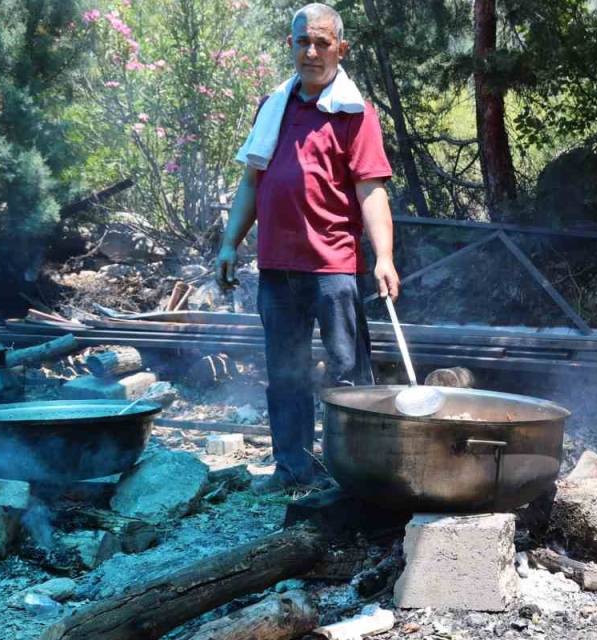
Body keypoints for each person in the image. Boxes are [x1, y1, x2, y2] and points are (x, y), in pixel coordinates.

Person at [216, 3, 400, 493]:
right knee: (285, 375)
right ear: (291, 46)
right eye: (303, 42)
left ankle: (354, 476)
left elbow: (371, 190)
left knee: (348, 376)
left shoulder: (355, 113)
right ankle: (293, 471)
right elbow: (252, 182)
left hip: (333, 267)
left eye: (322, 43)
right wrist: (230, 243)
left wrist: (383, 256)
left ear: (341, 48)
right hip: (277, 268)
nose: (312, 52)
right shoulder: (273, 107)